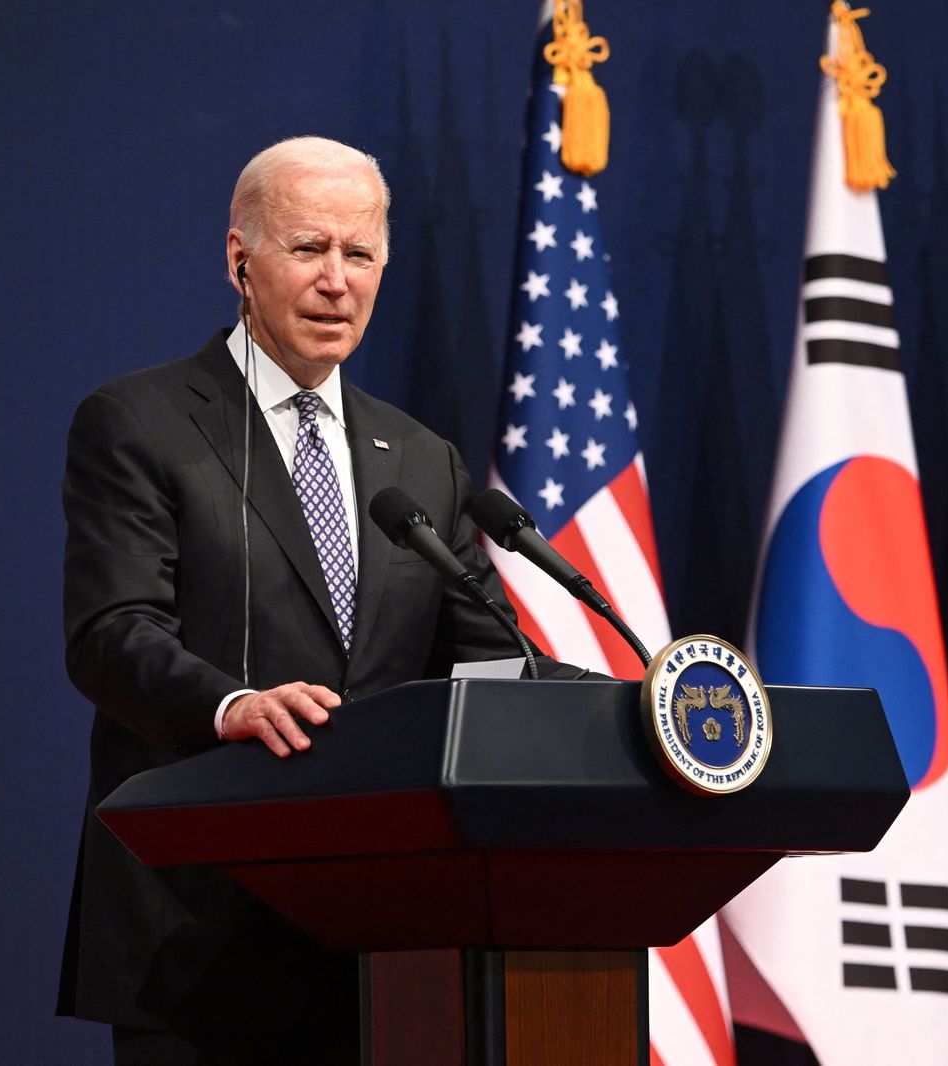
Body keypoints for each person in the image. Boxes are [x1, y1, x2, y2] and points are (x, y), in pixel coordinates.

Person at [57, 136, 581, 1064]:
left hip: (384, 938)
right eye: (309, 248)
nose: (337, 281)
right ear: (240, 258)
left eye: (360, 253)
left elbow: (487, 656)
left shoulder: (418, 459)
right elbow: (112, 633)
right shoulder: (141, 422)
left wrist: (620, 710)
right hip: (201, 933)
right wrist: (229, 704)